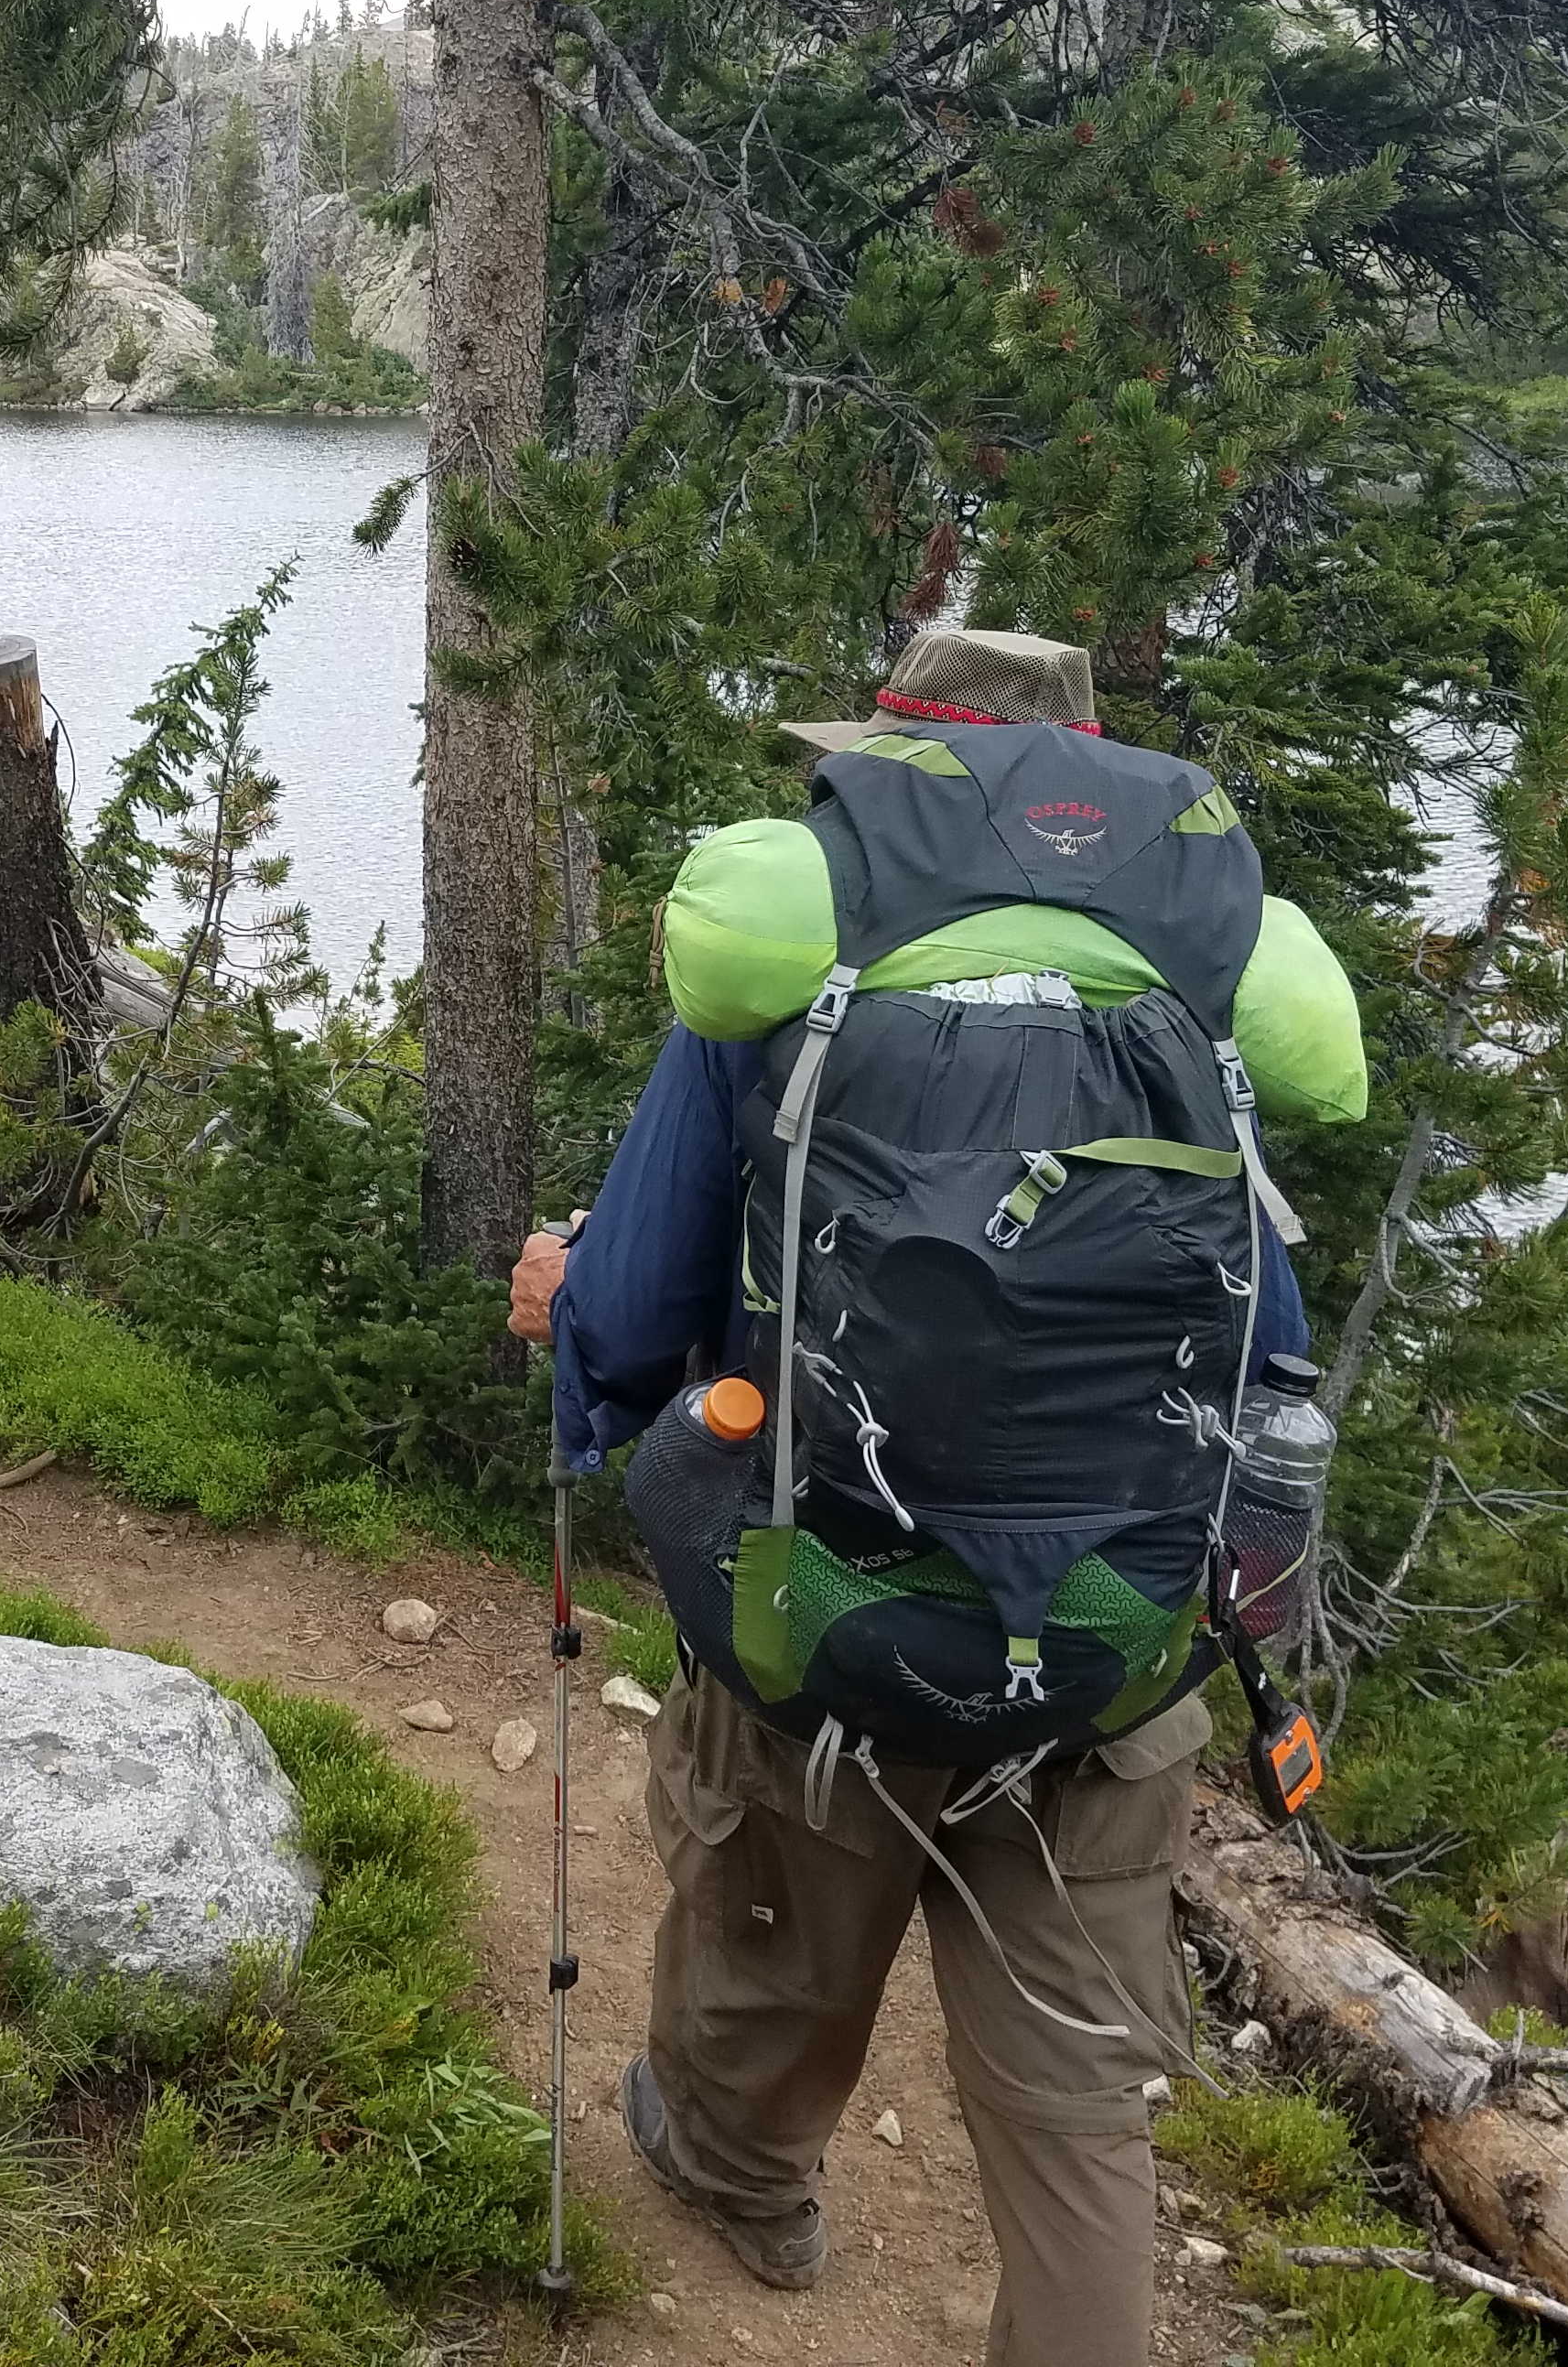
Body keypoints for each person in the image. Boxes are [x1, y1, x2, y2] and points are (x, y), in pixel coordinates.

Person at [514, 626, 1366, 2367]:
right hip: (1119, 1641)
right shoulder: (1189, 994)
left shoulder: (800, 979)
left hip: (834, 1602)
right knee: (1075, 2105)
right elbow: (1258, 1339)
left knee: (778, 1928)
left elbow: (632, 1300)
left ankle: (744, 2173)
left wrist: (578, 1349)